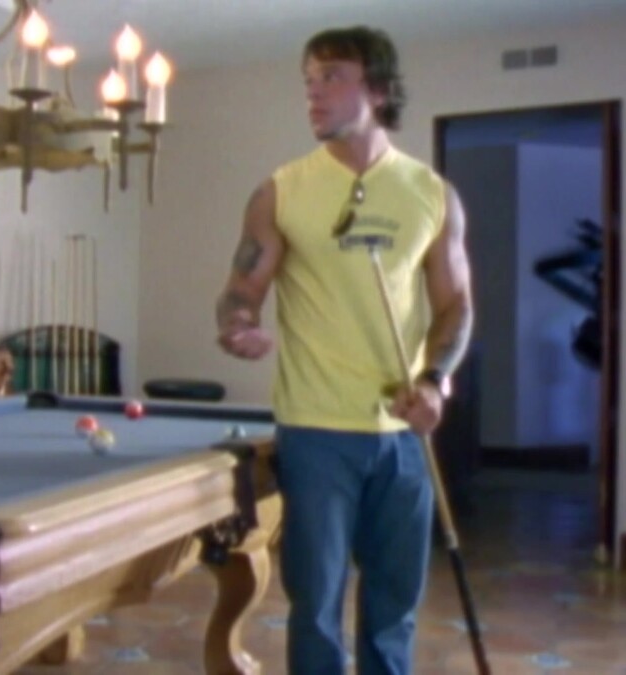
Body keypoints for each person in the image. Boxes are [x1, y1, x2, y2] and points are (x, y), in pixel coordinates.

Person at [214, 26, 473, 674]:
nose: (314, 92)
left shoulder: (431, 194)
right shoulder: (281, 191)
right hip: (315, 431)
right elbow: (240, 290)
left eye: (332, 76)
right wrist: (239, 324)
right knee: (316, 605)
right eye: (309, 79)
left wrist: (436, 380)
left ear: (378, 90)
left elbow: (456, 306)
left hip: (403, 434)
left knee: (394, 606)